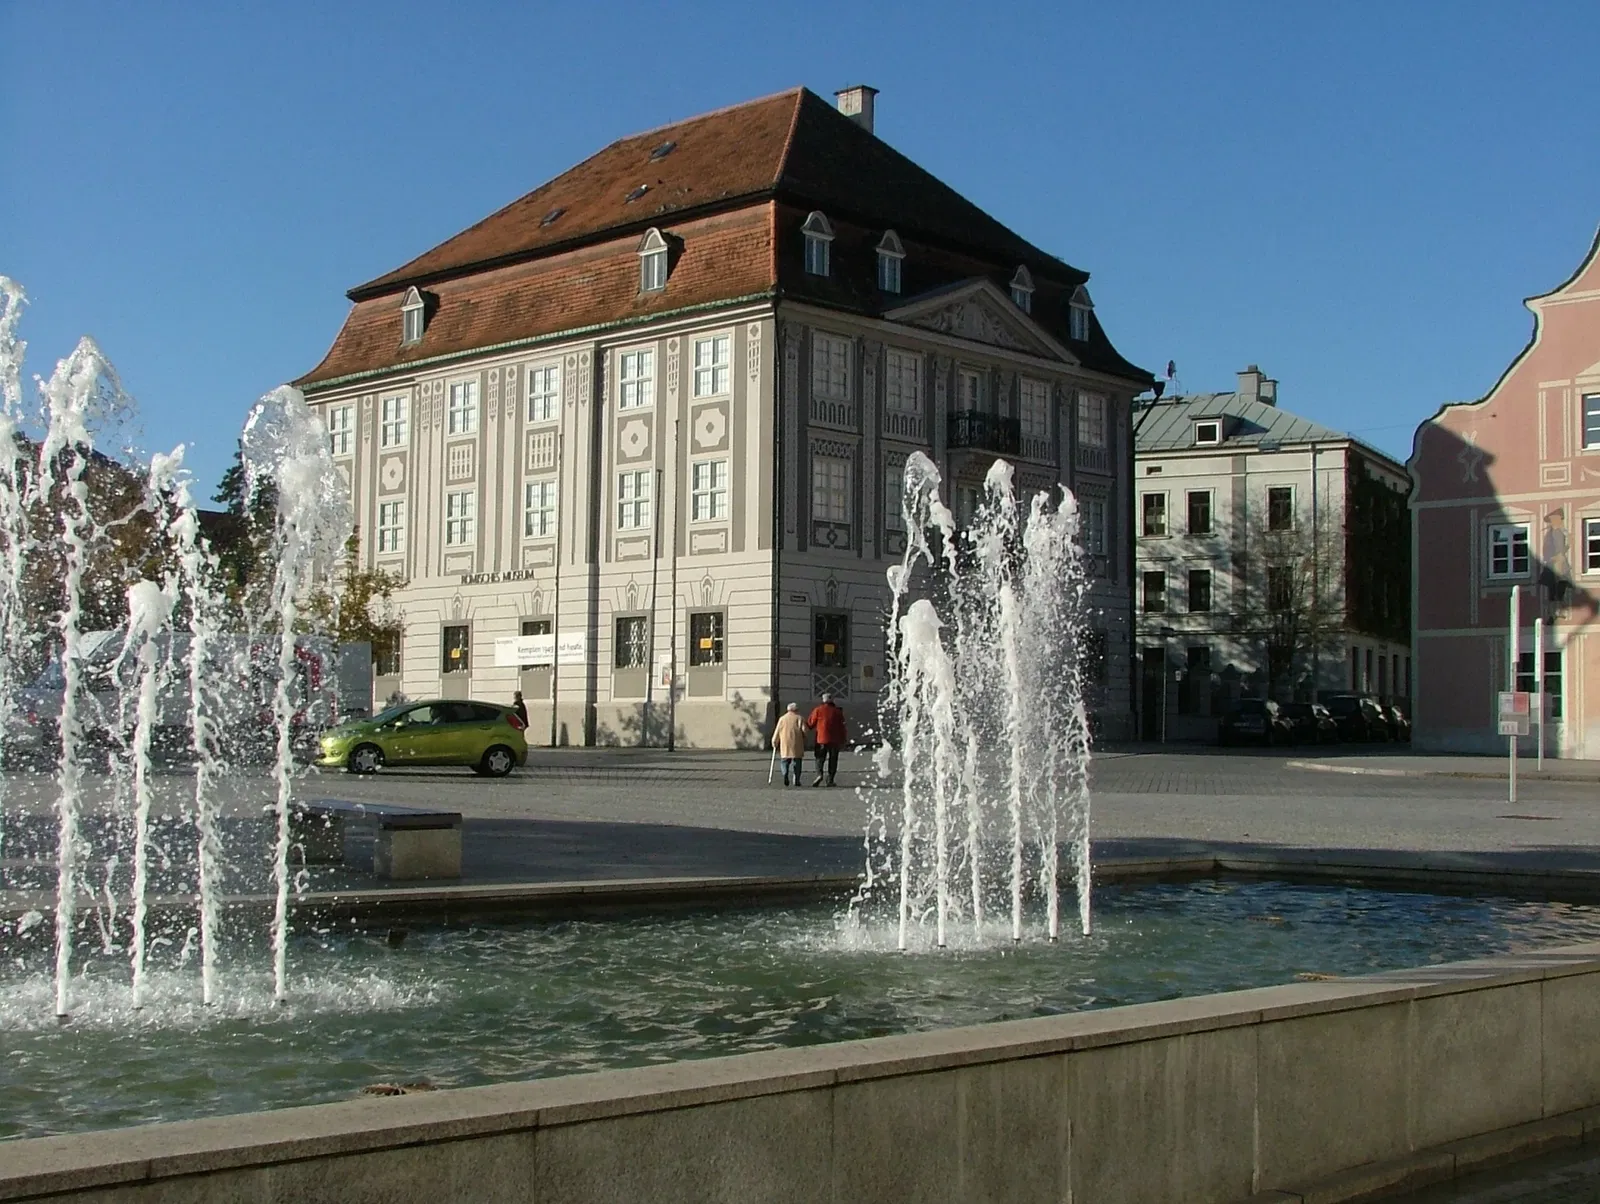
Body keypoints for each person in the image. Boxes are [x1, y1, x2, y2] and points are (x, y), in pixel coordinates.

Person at [806, 693, 847, 787]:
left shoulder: (818, 710)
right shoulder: (837, 711)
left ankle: (819, 774)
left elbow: (810, 724)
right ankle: (830, 779)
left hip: (821, 738)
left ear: (823, 700)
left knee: (819, 758)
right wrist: (843, 739)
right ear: (832, 700)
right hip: (835, 740)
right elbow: (842, 727)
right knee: (833, 759)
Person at [771, 702, 807, 786]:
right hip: (797, 744)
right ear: (796, 710)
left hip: (785, 743)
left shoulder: (782, 719)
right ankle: (796, 779)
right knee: (797, 762)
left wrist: (774, 741)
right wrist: (805, 738)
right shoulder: (799, 718)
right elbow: (804, 731)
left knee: (784, 761)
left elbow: (777, 731)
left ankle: (785, 774)